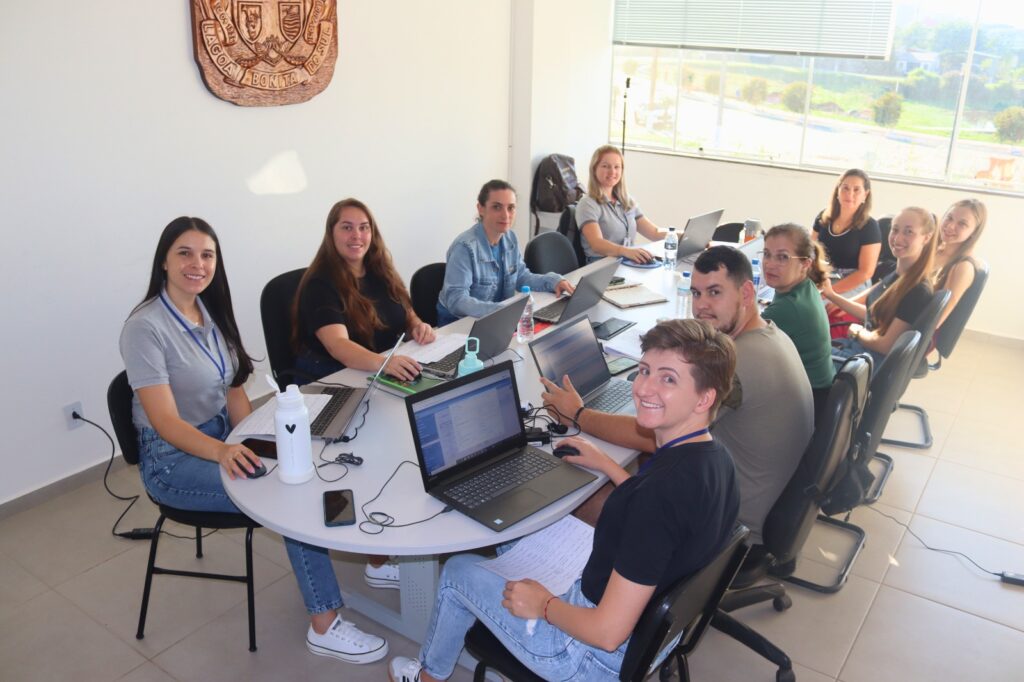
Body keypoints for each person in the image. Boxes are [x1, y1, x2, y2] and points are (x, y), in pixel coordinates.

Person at [387, 320, 740, 682]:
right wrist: (607, 464)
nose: (644, 388)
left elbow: (607, 633)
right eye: (645, 370)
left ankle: (428, 675)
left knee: (458, 571)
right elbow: (665, 519)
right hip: (651, 638)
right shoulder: (716, 458)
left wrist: (544, 605)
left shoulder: (658, 498)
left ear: (704, 398)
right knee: (523, 532)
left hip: (586, 653)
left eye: (668, 379)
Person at [120, 217, 389, 666]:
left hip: (222, 436)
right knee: (289, 498)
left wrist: (260, 440)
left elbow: (233, 390)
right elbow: (165, 422)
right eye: (184, 253)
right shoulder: (145, 328)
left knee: (311, 462)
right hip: (172, 460)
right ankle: (324, 625)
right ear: (164, 261)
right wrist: (226, 451)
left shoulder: (209, 312)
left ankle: (379, 561)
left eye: (207, 255)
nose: (197, 263)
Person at [541, 246, 813, 546]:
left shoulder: (738, 363)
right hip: (746, 496)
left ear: (747, 293)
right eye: (696, 293)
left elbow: (652, 437)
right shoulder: (770, 335)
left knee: (576, 497)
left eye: (715, 293)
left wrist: (578, 415)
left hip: (733, 528)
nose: (701, 306)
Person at [293, 198, 434, 383]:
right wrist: (384, 363)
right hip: (334, 376)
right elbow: (338, 345)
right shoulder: (318, 284)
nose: (356, 235)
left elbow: (407, 313)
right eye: (347, 227)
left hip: (378, 367)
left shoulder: (381, 270)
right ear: (331, 233)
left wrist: (418, 326)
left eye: (364, 227)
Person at [436, 180, 574, 326]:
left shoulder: (510, 238)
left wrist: (553, 281)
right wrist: (500, 310)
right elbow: (456, 299)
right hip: (460, 324)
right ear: (481, 209)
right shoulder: (464, 248)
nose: (505, 215)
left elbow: (521, 277)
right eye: (497, 207)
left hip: (498, 319)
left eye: (511, 208)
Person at [823, 206, 938, 364]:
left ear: (926, 238)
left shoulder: (917, 290)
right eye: (895, 229)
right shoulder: (898, 275)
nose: (897, 238)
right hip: (859, 352)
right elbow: (873, 315)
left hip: (865, 362)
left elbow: (885, 346)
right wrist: (832, 296)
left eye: (908, 232)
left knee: (800, 350)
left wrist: (857, 333)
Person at [761, 223, 835, 420]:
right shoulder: (805, 286)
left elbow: (734, 342)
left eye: (782, 257)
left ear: (805, 264)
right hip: (817, 393)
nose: (770, 264)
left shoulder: (788, 308)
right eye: (767, 254)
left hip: (805, 406)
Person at [577, 145, 665, 263]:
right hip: (601, 265)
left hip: (626, 261)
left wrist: (682, 235)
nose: (612, 171)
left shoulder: (627, 201)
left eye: (617, 167)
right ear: (594, 169)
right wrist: (625, 251)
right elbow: (596, 244)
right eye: (605, 166)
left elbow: (654, 233)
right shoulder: (587, 203)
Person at [812, 168, 881, 295]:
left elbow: (865, 272)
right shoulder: (823, 217)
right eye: (845, 188)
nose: (850, 194)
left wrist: (828, 292)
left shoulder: (870, 226)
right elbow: (809, 252)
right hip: (823, 278)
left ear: (865, 195)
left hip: (852, 283)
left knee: (820, 305)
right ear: (838, 191)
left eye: (856, 189)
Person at [932, 199, 986, 329]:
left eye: (962, 224)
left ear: (974, 232)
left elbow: (935, 320)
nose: (950, 226)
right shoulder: (934, 249)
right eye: (949, 218)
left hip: (915, 332)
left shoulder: (963, 267)